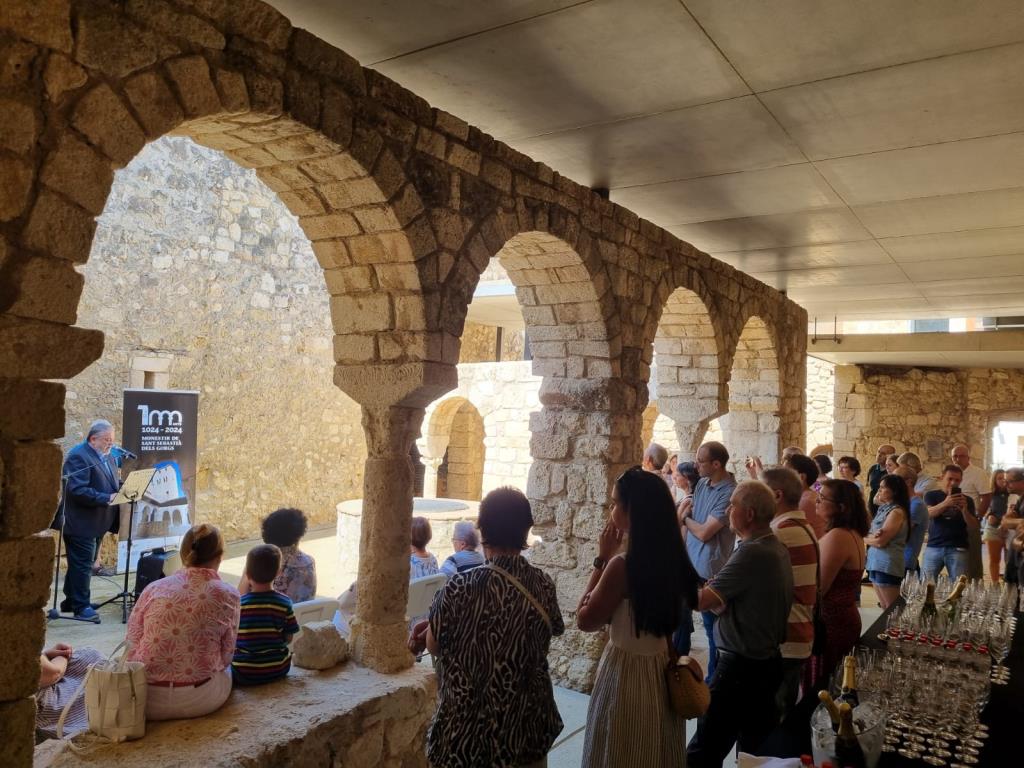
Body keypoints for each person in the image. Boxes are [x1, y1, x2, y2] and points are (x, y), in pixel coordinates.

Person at [409, 487, 563, 768]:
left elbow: (433, 645)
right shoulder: (542, 585)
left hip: (465, 736)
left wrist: (432, 626)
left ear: (483, 530)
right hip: (524, 733)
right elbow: (551, 630)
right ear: (525, 530)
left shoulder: (458, 587)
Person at [578, 468, 699, 767]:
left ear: (634, 511)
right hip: (659, 667)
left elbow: (585, 619)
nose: (611, 510)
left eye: (616, 503)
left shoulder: (622, 565)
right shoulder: (672, 555)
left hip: (626, 672)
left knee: (620, 748)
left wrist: (601, 559)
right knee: (652, 749)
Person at [686, 481, 792, 768]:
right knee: (751, 751)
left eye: (733, 505)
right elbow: (741, 600)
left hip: (740, 670)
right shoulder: (773, 547)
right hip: (764, 663)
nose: (728, 510)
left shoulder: (752, 552)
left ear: (748, 514)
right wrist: (721, 600)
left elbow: (701, 601)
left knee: (702, 752)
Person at [126, 524, 240, 720]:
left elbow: (131, 642)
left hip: (144, 699)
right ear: (220, 556)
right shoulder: (229, 594)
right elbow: (227, 655)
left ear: (183, 554)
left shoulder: (153, 588)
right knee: (230, 668)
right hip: (202, 699)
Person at [760, 467, 818, 720]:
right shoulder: (802, 525)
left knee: (770, 717)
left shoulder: (779, 532)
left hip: (785, 638)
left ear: (776, 495)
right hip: (799, 633)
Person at [678, 441, 737, 680]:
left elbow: (704, 532)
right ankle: (678, 673)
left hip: (710, 572)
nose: (695, 464)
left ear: (716, 464)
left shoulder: (730, 492)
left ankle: (713, 686)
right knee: (679, 625)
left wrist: (684, 520)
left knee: (714, 633)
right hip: (689, 566)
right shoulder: (702, 483)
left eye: (701, 461)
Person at [803, 479, 868, 694]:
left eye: (823, 498)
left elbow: (819, 587)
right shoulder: (850, 533)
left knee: (824, 687)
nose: (817, 501)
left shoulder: (838, 537)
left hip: (831, 624)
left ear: (841, 507)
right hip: (843, 617)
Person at [57, 419, 122, 621]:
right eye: (107, 439)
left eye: (112, 439)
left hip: (96, 521)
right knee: (83, 564)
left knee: (80, 563)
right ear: (93, 439)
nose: (110, 443)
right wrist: (105, 498)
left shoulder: (106, 455)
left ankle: (71, 601)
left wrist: (124, 487)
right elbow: (76, 489)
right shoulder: (79, 456)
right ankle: (81, 607)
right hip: (79, 522)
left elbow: (111, 481)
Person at [232, 544, 299, 686]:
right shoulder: (284, 603)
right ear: (278, 572)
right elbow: (289, 637)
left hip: (244, 673)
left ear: (248, 575)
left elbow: (233, 638)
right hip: (278, 669)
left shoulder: (239, 604)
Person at [35, 643, 105, 739]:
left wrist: (45, 654)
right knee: (92, 656)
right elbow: (54, 673)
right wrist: (63, 655)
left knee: (91, 656)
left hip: (45, 680)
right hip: (46, 702)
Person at [922, 465, 979, 582]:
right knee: (926, 584)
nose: (953, 483)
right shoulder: (931, 495)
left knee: (958, 587)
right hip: (934, 546)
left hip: (958, 548)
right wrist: (945, 503)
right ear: (942, 477)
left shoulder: (967, 500)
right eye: (950, 479)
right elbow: (927, 514)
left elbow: (974, 526)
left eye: (957, 480)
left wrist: (965, 510)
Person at [864, 474, 909, 609]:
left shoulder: (896, 512)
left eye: (883, 488)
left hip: (886, 563)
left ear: (894, 491)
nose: (879, 491)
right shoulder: (884, 509)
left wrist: (863, 538)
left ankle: (895, 631)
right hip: (875, 562)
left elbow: (880, 541)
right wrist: (871, 537)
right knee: (884, 606)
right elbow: (872, 533)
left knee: (892, 608)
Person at [258, 507, 317, 603]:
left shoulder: (261, 563)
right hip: (301, 617)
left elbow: (240, 603)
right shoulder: (309, 562)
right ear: (299, 533)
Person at [951, 444, 990, 580]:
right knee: (955, 559)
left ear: (968, 457)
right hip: (952, 523)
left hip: (969, 520)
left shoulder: (978, 473)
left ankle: (975, 587)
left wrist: (978, 516)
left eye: (961, 456)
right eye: (954, 456)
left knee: (972, 557)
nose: (957, 459)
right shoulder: (951, 474)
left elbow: (986, 497)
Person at [893, 465, 928, 574]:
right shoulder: (902, 503)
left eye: (896, 480)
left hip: (905, 560)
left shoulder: (916, 504)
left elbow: (902, 532)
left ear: (908, 482)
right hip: (896, 558)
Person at [783, 453, 826, 538]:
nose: (781, 477)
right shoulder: (804, 496)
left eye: (786, 473)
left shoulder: (806, 501)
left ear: (801, 477)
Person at [984, 469, 1010, 584]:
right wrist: (988, 515)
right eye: (999, 478)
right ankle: (995, 585)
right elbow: (983, 509)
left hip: (1010, 529)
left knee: (1010, 560)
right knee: (994, 559)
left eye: (1004, 478)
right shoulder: (989, 494)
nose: (1003, 480)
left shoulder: (1014, 493)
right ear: (994, 480)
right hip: (993, 528)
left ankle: (1009, 584)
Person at [866, 444, 896, 514]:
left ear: (890, 456)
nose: (879, 455)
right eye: (878, 452)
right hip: (872, 506)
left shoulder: (892, 471)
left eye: (883, 454)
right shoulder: (872, 468)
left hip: (886, 507)